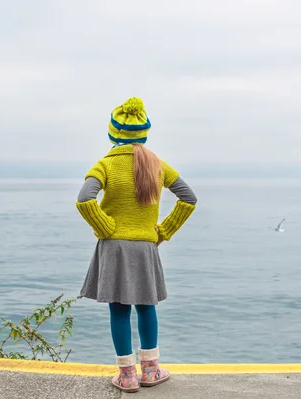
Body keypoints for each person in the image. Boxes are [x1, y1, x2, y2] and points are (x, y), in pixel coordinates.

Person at [75, 97, 197, 393]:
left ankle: (127, 375)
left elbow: (84, 199)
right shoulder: (157, 164)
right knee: (146, 307)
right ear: (144, 134)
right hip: (145, 247)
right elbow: (188, 198)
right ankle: (151, 371)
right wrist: (162, 231)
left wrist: (106, 227)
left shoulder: (105, 164)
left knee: (119, 310)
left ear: (113, 133)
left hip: (114, 246)